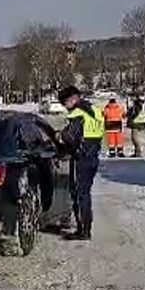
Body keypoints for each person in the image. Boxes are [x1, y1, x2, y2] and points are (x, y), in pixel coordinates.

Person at [56, 85, 104, 241]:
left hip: (81, 158)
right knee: (85, 193)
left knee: (79, 194)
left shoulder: (78, 114)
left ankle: (83, 230)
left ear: (73, 99)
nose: (65, 107)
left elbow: (71, 137)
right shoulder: (95, 111)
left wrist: (60, 135)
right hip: (93, 156)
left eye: (65, 103)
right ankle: (86, 228)